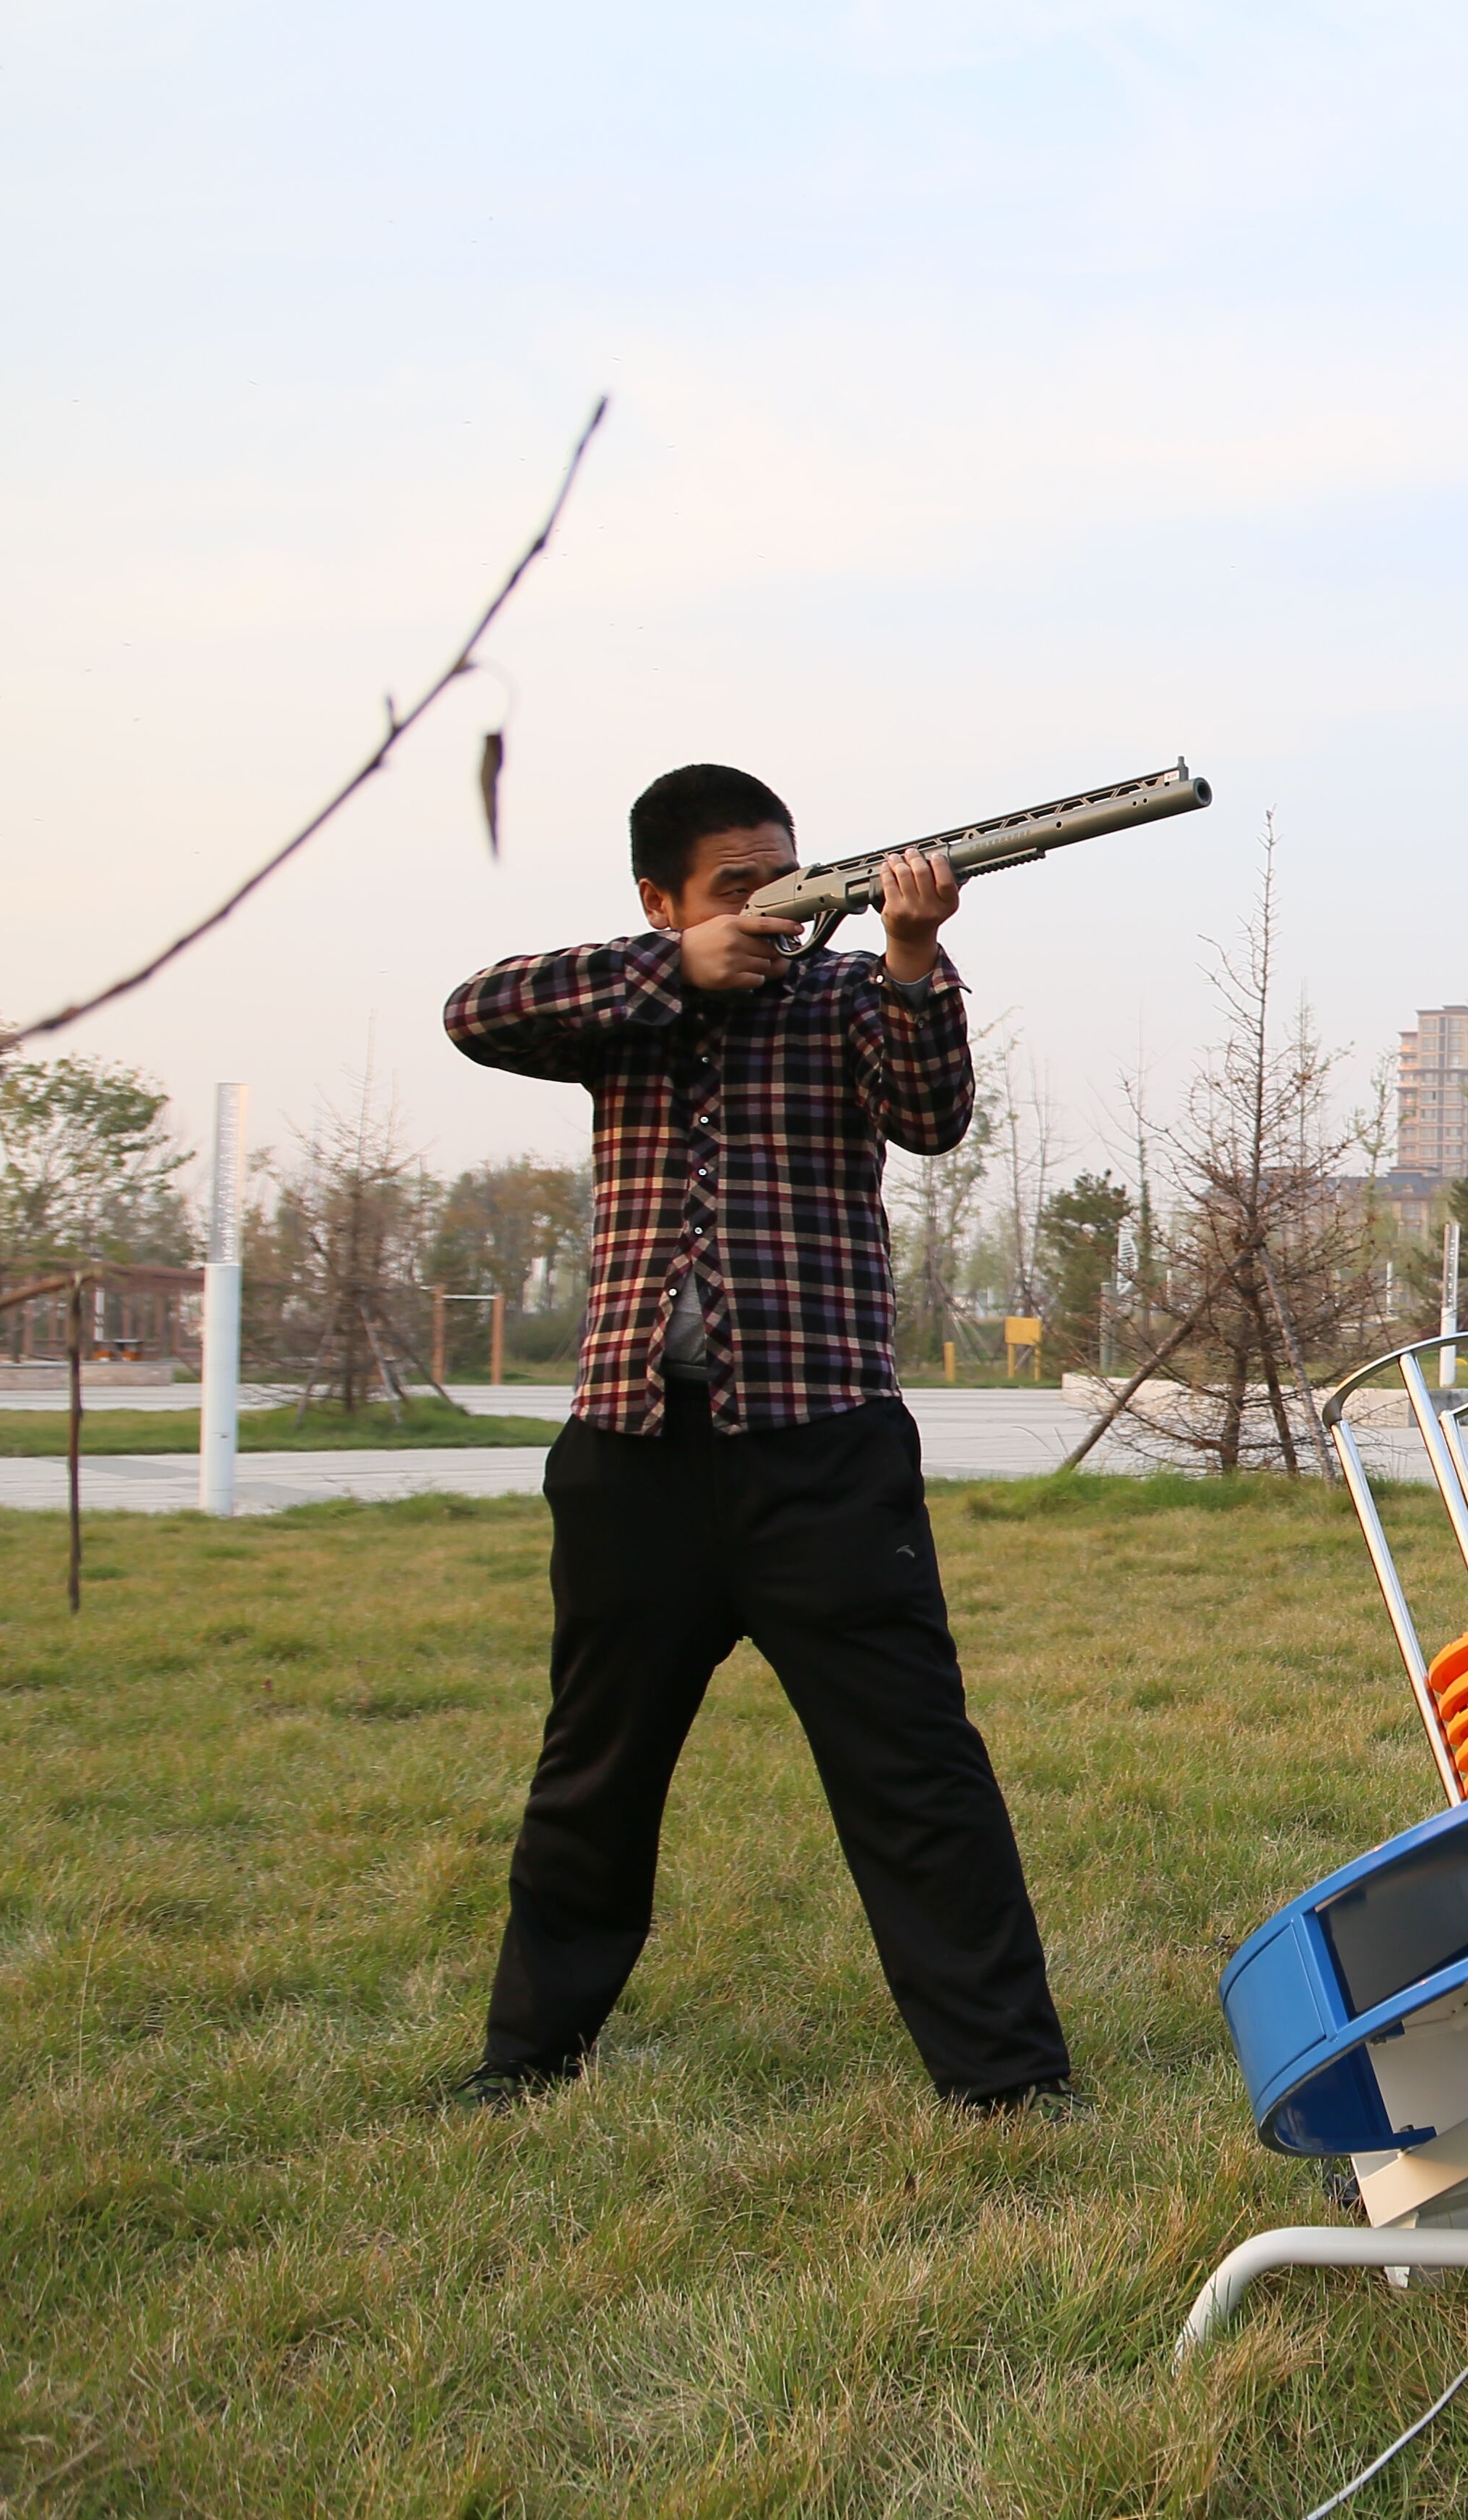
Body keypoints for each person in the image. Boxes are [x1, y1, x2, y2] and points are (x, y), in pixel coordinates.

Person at [436, 765, 1076, 2114]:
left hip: (826, 1454)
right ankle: (526, 2060)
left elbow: (933, 1113)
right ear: (662, 898)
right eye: (737, 888)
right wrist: (679, 968)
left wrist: (911, 949)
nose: (770, 909)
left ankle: (1008, 2081)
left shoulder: (847, 995)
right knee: (591, 1777)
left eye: (785, 878)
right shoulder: (622, 999)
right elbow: (477, 1010)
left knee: (916, 1771)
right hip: (632, 1454)